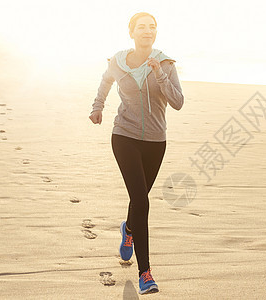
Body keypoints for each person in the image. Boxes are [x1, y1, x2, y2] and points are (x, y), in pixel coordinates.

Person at [89, 12, 184, 294]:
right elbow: (106, 81)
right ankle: (146, 274)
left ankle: (128, 229)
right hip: (124, 136)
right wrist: (98, 106)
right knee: (142, 201)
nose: (147, 31)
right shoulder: (118, 62)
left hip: (156, 142)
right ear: (131, 32)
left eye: (152, 27)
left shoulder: (166, 63)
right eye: (141, 27)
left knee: (138, 200)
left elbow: (178, 102)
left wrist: (159, 74)